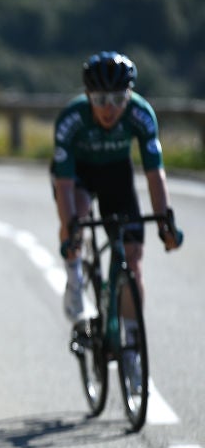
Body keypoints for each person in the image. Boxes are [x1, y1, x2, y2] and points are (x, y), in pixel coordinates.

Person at [51, 51, 182, 385]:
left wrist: (165, 222)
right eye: (100, 100)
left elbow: (154, 173)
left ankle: (132, 349)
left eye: (118, 99)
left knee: (133, 260)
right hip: (78, 174)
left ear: (129, 95)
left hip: (116, 174)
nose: (109, 109)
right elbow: (64, 186)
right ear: (87, 96)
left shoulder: (141, 114)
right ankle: (75, 278)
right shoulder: (71, 119)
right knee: (79, 215)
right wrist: (70, 231)